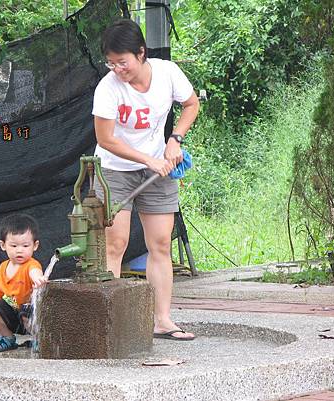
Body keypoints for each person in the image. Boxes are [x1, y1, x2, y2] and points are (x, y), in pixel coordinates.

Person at [92, 19, 199, 340]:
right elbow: (106, 139)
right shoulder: (107, 88)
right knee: (115, 244)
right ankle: (109, 324)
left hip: (159, 167)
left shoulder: (167, 73)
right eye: (110, 63)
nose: (117, 69)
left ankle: (162, 320)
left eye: (122, 62)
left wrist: (174, 139)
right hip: (114, 169)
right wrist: (148, 159)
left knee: (161, 244)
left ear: (141, 53)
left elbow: (191, 105)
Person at [0, 213, 47, 352]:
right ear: (3, 245)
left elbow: (35, 272)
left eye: (25, 245)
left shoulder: (31, 265)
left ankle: (40, 339)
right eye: (13, 245)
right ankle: (7, 339)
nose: (19, 250)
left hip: (31, 317)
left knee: (26, 310)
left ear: (35, 246)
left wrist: (38, 278)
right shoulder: (3, 268)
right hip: (13, 315)